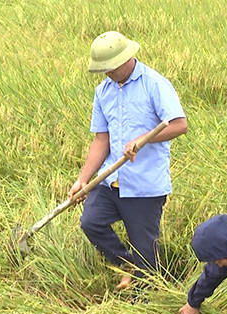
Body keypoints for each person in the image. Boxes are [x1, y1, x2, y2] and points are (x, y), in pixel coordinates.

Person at [68, 31, 187, 290]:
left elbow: (180, 125)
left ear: (126, 58)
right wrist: (82, 179)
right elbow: (101, 140)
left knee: (147, 255)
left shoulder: (154, 84)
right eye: (103, 70)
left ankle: (144, 302)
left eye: (110, 68)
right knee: (91, 222)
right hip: (111, 181)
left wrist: (144, 139)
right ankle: (126, 265)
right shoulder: (103, 92)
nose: (107, 74)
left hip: (144, 185)